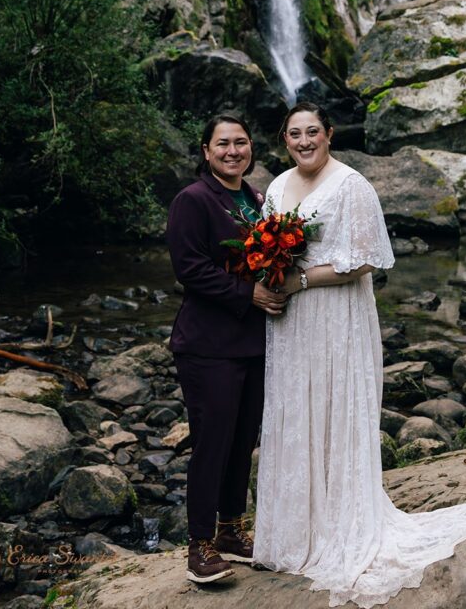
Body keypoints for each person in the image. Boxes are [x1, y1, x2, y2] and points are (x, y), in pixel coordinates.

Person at [253, 101, 466, 608]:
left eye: (312, 131)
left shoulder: (353, 186)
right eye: (294, 134)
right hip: (293, 324)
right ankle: (297, 534)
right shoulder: (275, 187)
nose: (304, 141)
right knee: (297, 411)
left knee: (335, 409)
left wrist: (296, 280)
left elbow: (362, 261)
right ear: (284, 140)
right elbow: (264, 250)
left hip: (336, 317)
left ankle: (339, 526)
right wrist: (270, 278)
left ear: (329, 134)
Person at [166, 113, 286, 585]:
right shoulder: (192, 200)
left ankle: (232, 530)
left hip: (254, 343)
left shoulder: (258, 198)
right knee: (212, 444)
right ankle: (199, 547)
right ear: (205, 151)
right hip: (208, 345)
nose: (233, 151)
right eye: (223, 144)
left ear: (251, 148)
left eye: (240, 142)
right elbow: (189, 268)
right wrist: (248, 294)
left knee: (242, 442)